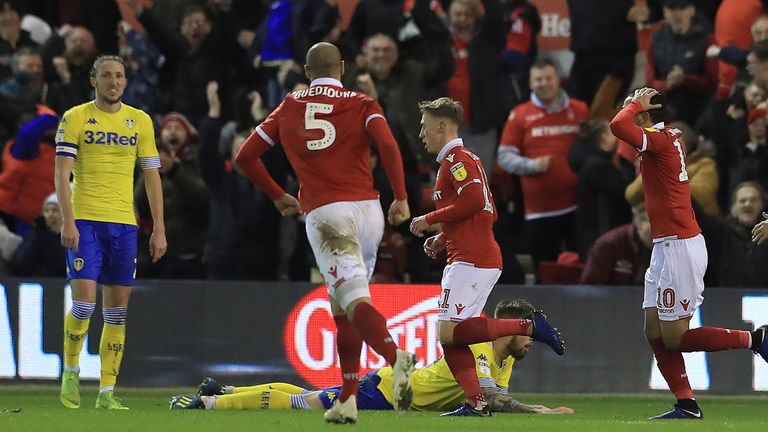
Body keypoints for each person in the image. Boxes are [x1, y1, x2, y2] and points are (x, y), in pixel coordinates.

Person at [233, 42, 416, 424]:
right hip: (369, 211)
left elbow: (245, 157)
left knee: (351, 302)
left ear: (306, 70)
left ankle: (395, 356)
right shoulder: (364, 103)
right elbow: (387, 144)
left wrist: (279, 195)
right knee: (343, 308)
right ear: (343, 68)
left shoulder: (289, 107)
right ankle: (347, 399)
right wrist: (401, 196)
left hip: (328, 214)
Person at [609, 87, 768, 419]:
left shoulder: (661, 140)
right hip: (666, 246)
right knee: (653, 331)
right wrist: (638, 107)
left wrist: (635, 105)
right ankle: (686, 403)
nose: (627, 111)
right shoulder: (666, 137)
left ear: (645, 114)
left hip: (680, 246)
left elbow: (617, 126)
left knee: (676, 337)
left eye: (632, 107)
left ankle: (755, 339)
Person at [409, 97, 564, 417]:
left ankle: (528, 326)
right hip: (469, 254)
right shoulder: (461, 161)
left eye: (425, 127)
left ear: (441, 126)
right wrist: (444, 237)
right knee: (453, 338)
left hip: (472, 259)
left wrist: (430, 219)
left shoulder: (457, 160)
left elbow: (475, 201)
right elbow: (484, 211)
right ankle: (476, 403)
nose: (421, 134)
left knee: (448, 333)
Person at [170, 298, 574, 415]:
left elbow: (492, 400)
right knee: (301, 403)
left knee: (306, 396)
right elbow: (497, 402)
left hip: (397, 393)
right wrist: (539, 412)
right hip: (389, 392)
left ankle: (222, 389)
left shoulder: (503, 360)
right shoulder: (482, 345)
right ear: (512, 326)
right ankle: (208, 403)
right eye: (527, 336)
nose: (529, 345)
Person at [55, 55, 167, 410]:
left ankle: (107, 391)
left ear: (125, 80)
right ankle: (71, 369)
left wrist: (159, 229)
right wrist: (68, 219)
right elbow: (61, 175)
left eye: (119, 75)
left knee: (117, 312)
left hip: (124, 225)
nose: (114, 82)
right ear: (94, 80)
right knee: (85, 304)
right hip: (86, 219)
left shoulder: (140, 121)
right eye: (106, 76)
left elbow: (152, 177)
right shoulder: (75, 118)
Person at [579, 204, 653, 286]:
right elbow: (588, 290)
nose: (659, 233)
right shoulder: (608, 245)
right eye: (653, 224)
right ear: (638, 222)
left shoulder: (666, 244)